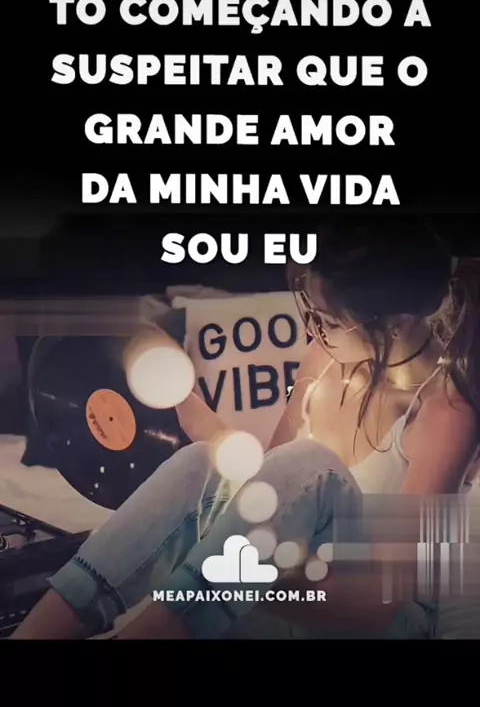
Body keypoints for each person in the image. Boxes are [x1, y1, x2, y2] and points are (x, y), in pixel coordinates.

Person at [12, 216, 480, 640]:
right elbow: (268, 484)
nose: (314, 333)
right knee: (202, 461)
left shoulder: (446, 411)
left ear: (396, 324)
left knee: (312, 461)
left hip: (372, 615)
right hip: (280, 590)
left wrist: (250, 574)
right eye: (311, 315)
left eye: (328, 322)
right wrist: (186, 402)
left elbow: (380, 605)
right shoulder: (323, 360)